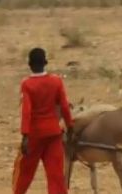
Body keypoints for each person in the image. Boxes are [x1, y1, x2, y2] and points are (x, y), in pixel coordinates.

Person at [12, 48, 74, 194]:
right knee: (56, 175)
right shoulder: (56, 81)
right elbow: (64, 106)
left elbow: (26, 111)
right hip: (53, 133)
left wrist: (25, 135)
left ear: (30, 64)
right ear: (45, 63)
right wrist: (70, 126)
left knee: (24, 173)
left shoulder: (27, 84)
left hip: (35, 135)